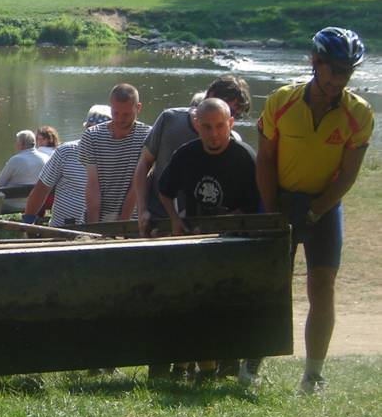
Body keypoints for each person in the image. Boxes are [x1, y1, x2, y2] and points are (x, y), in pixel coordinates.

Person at [256, 27, 373, 394]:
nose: (340, 79)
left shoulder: (359, 113)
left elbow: (350, 172)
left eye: (348, 72)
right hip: (280, 198)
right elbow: (265, 161)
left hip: (325, 204)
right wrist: (273, 207)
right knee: (272, 285)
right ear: (315, 62)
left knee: (322, 286)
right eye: (335, 69)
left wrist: (319, 209)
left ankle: (313, 375)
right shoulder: (281, 101)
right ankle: (251, 362)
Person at [156, 98, 260, 382]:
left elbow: (258, 204)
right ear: (197, 126)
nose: (214, 134)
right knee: (192, 300)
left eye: (219, 127)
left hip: (235, 242)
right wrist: (175, 219)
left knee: (228, 304)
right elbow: (164, 189)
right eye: (207, 127)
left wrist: (238, 219)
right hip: (195, 238)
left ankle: (228, 364)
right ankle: (196, 367)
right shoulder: (186, 154)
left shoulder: (245, 157)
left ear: (231, 124)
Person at [133, 75, 252, 237]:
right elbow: (144, 164)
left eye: (233, 115)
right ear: (209, 96)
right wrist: (142, 209)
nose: (215, 132)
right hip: (160, 220)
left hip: (202, 227)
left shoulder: (234, 144)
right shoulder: (170, 120)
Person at [23, 106, 110, 228]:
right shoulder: (66, 151)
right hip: (62, 230)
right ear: (85, 129)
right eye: (90, 129)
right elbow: (41, 189)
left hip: (103, 231)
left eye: (100, 131)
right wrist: (28, 221)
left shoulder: (116, 157)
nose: (94, 135)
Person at [80, 84, 150, 223]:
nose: (120, 119)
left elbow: (138, 183)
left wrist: (122, 225)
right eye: (115, 113)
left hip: (134, 220)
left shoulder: (148, 136)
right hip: (98, 216)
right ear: (111, 107)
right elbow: (93, 185)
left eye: (126, 114)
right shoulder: (91, 136)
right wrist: (95, 227)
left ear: (138, 108)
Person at [0, 130, 48, 214]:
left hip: (14, 205)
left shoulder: (16, 160)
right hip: (37, 204)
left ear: (21, 144)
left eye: (17, 142)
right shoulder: (46, 158)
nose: (15, 145)